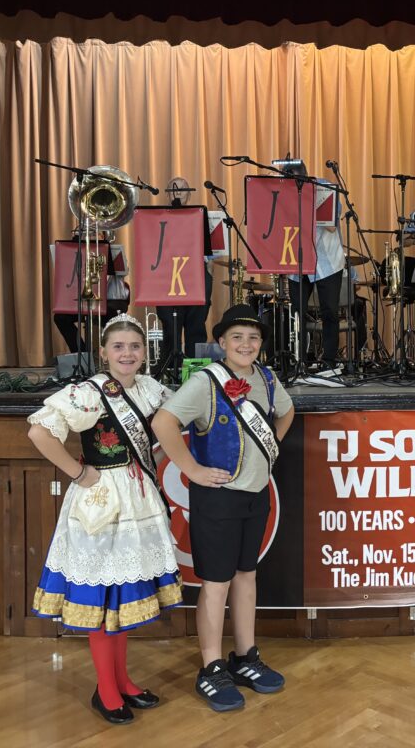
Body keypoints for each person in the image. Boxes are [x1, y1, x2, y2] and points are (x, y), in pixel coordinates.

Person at [27, 312, 182, 724]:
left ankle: (123, 680)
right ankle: (106, 689)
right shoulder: (88, 393)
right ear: (103, 352)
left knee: (124, 597)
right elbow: (39, 432)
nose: (127, 353)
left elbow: (173, 426)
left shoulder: (151, 389)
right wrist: (78, 473)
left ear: (144, 352)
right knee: (102, 597)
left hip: (139, 499)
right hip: (100, 503)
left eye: (134, 346)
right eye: (118, 347)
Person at [151, 304, 295, 712]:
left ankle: (245, 656)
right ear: (221, 342)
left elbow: (286, 412)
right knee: (216, 583)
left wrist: (271, 449)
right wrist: (192, 469)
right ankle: (212, 666)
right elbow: (163, 423)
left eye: (253, 338)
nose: (246, 344)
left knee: (246, 576)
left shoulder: (267, 378)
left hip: (255, 494)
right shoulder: (205, 382)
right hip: (218, 498)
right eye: (237, 337)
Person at [284, 162, 346, 370]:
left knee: (330, 312)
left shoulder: (324, 189)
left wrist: (305, 206)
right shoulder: (283, 194)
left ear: (305, 177)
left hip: (327, 261)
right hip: (297, 262)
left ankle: (329, 361)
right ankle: (299, 360)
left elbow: (330, 227)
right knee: (296, 313)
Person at [153, 176, 214, 380]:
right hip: (167, 276)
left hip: (196, 274)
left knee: (196, 326)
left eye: (182, 189)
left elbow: (212, 253)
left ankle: (195, 374)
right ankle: (170, 371)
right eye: (172, 189)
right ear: (167, 195)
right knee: (170, 327)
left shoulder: (200, 215)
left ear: (189, 194)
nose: (177, 192)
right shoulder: (157, 218)